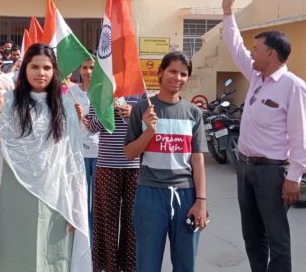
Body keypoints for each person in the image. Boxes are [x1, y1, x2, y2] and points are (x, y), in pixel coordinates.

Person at [0, 43, 91, 271]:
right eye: (34, 66)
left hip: (56, 200)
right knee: (16, 257)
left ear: (54, 71)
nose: (40, 72)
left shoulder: (64, 105)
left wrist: (76, 206)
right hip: (14, 198)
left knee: (53, 259)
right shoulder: (9, 102)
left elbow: (73, 160)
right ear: (24, 69)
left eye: (46, 67)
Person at [222, 0, 306, 272]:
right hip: (245, 168)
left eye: (256, 49)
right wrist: (228, 12)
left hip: (273, 172)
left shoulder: (292, 86)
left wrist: (294, 176)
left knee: (277, 239)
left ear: (271, 53)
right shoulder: (256, 76)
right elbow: (235, 47)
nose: (251, 52)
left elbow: (300, 135)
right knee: (252, 237)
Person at [124, 51, 208, 272]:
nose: (177, 78)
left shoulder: (193, 113)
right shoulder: (143, 109)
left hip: (186, 195)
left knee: (185, 264)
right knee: (147, 264)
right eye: (172, 71)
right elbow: (129, 153)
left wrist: (201, 201)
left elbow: (197, 159)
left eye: (183, 73)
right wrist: (149, 131)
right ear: (160, 73)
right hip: (149, 194)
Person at [85, 92, 144, 271]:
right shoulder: (100, 91)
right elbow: (91, 127)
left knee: (132, 220)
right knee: (106, 219)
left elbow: (151, 126)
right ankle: (107, 266)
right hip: (106, 165)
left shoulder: (140, 93)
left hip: (135, 165)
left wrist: (134, 113)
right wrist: (107, 111)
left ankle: (130, 266)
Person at [68, 58, 99, 240]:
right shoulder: (71, 94)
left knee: (98, 202)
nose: (88, 71)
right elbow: (63, 123)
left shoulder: (104, 94)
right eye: (85, 67)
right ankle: (82, 239)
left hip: (100, 153)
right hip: (78, 153)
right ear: (79, 69)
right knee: (80, 198)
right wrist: (76, 115)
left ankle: (95, 241)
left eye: (92, 67)